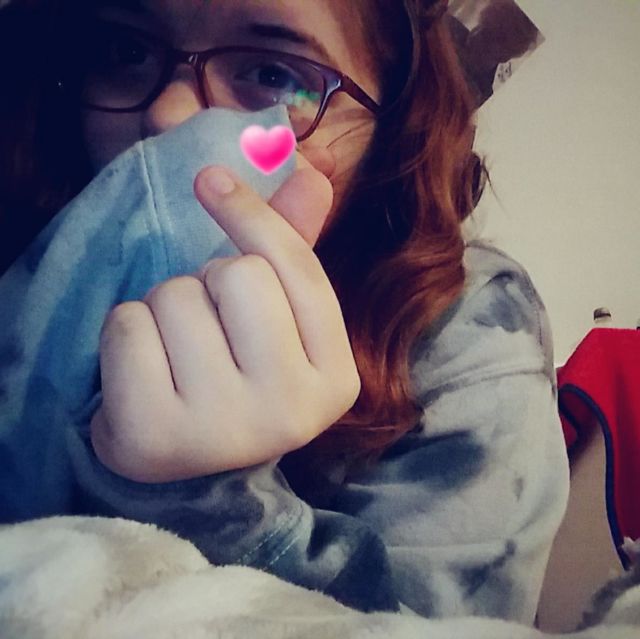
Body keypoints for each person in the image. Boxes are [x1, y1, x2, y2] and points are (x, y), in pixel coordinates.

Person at [0, 0, 569, 625]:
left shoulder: (467, 330)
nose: (168, 114)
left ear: (390, 132)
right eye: (125, 52)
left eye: (274, 74)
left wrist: (207, 499)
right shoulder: (30, 245)